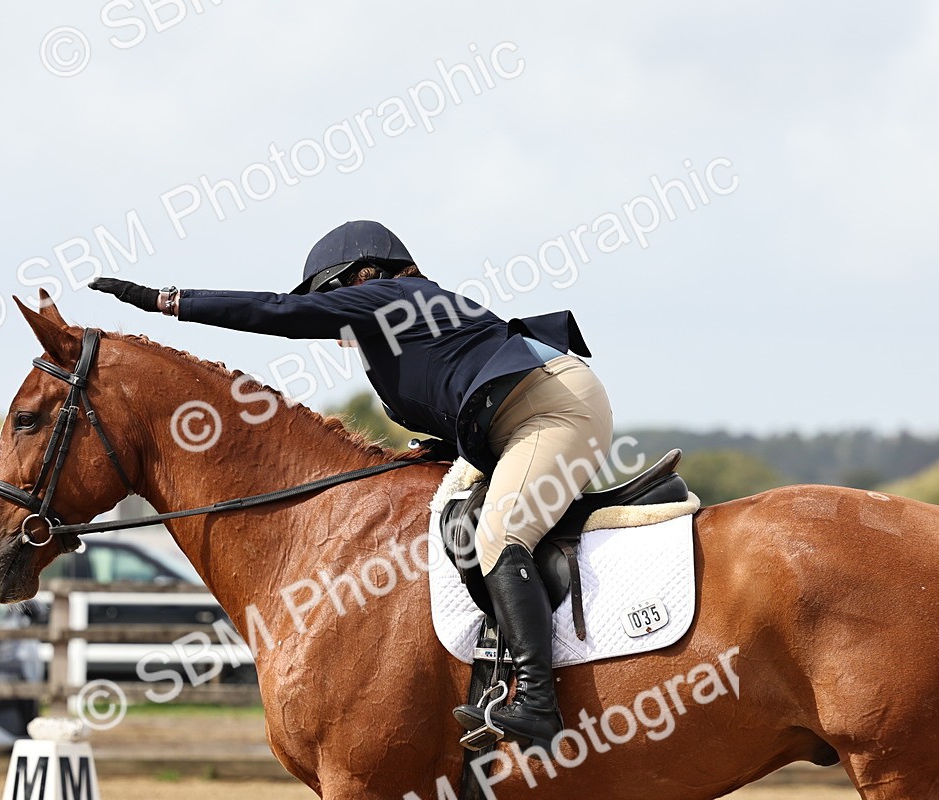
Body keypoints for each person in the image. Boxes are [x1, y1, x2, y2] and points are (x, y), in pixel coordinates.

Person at [89, 220, 613, 749]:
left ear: (365, 275)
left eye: (331, 296)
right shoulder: (397, 333)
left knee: (500, 534)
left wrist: (166, 301)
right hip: (513, 424)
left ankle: (538, 702)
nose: (331, 314)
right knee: (447, 520)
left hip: (554, 411)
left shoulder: (393, 298)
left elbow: (279, 312)